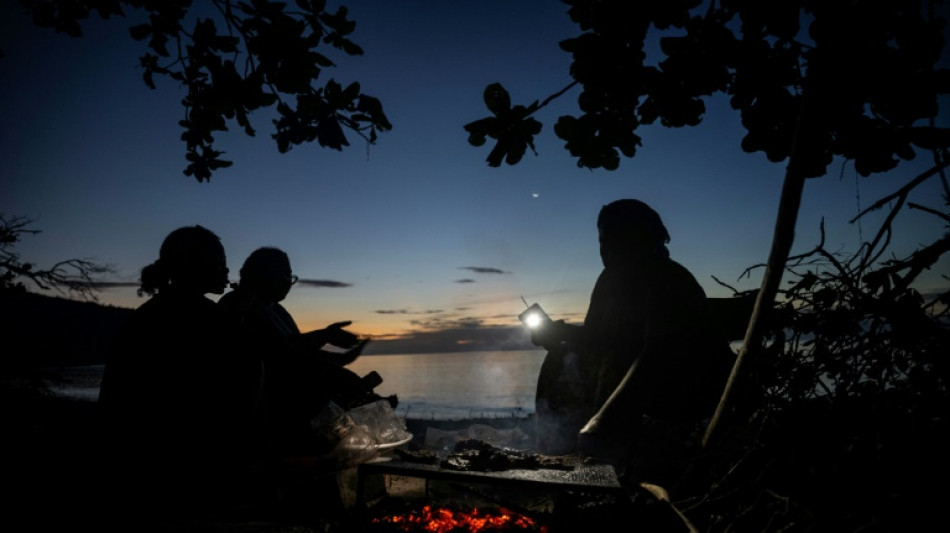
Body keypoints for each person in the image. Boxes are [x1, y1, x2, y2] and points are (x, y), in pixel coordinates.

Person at [531, 199, 734, 490]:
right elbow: (598, 338)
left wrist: (602, 419)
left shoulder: (667, 279)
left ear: (642, 238)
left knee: (614, 364)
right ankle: (557, 456)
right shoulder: (609, 280)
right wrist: (560, 334)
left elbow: (655, 354)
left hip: (680, 389)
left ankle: (607, 471)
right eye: (602, 241)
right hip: (625, 377)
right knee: (560, 358)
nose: (606, 250)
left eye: (615, 239)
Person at [97, 225, 268, 525]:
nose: (226, 270)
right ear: (197, 266)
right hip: (174, 474)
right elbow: (235, 379)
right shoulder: (197, 315)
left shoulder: (157, 312)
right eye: (220, 262)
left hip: (136, 466)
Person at [218, 246, 394, 459]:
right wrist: (336, 360)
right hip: (271, 416)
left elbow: (296, 347)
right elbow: (280, 353)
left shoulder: (274, 308)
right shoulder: (237, 307)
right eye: (285, 276)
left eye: (290, 277)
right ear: (263, 275)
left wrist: (334, 348)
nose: (288, 283)